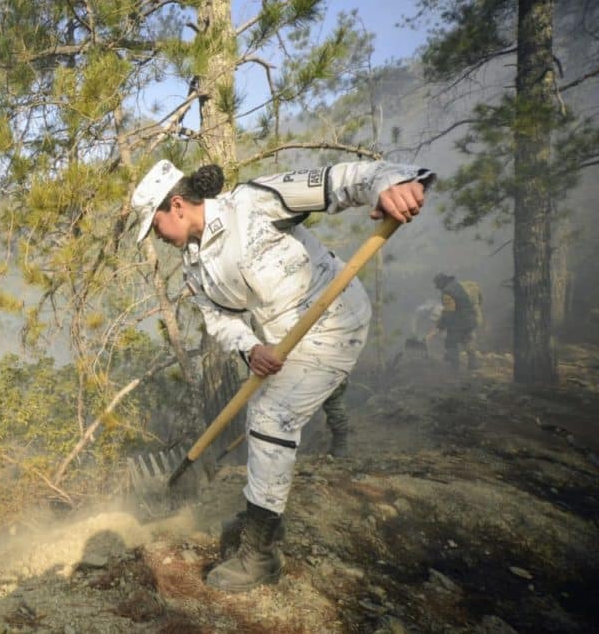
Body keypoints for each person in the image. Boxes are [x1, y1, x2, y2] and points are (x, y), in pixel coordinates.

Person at [130, 158, 434, 592]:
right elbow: (219, 320)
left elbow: (335, 181)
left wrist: (392, 182)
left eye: (155, 226)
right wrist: (250, 346)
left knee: (271, 419)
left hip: (333, 322)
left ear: (176, 205)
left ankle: (260, 555)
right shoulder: (196, 268)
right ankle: (264, 519)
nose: (157, 237)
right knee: (266, 417)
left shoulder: (252, 203)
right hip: (280, 344)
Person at [433, 273, 480, 370]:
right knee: (467, 340)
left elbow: (449, 311)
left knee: (450, 342)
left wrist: (441, 324)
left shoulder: (447, 292)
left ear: (441, 282)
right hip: (470, 319)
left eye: (437, 285)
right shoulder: (456, 285)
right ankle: (473, 364)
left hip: (459, 321)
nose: (437, 288)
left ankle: (454, 367)